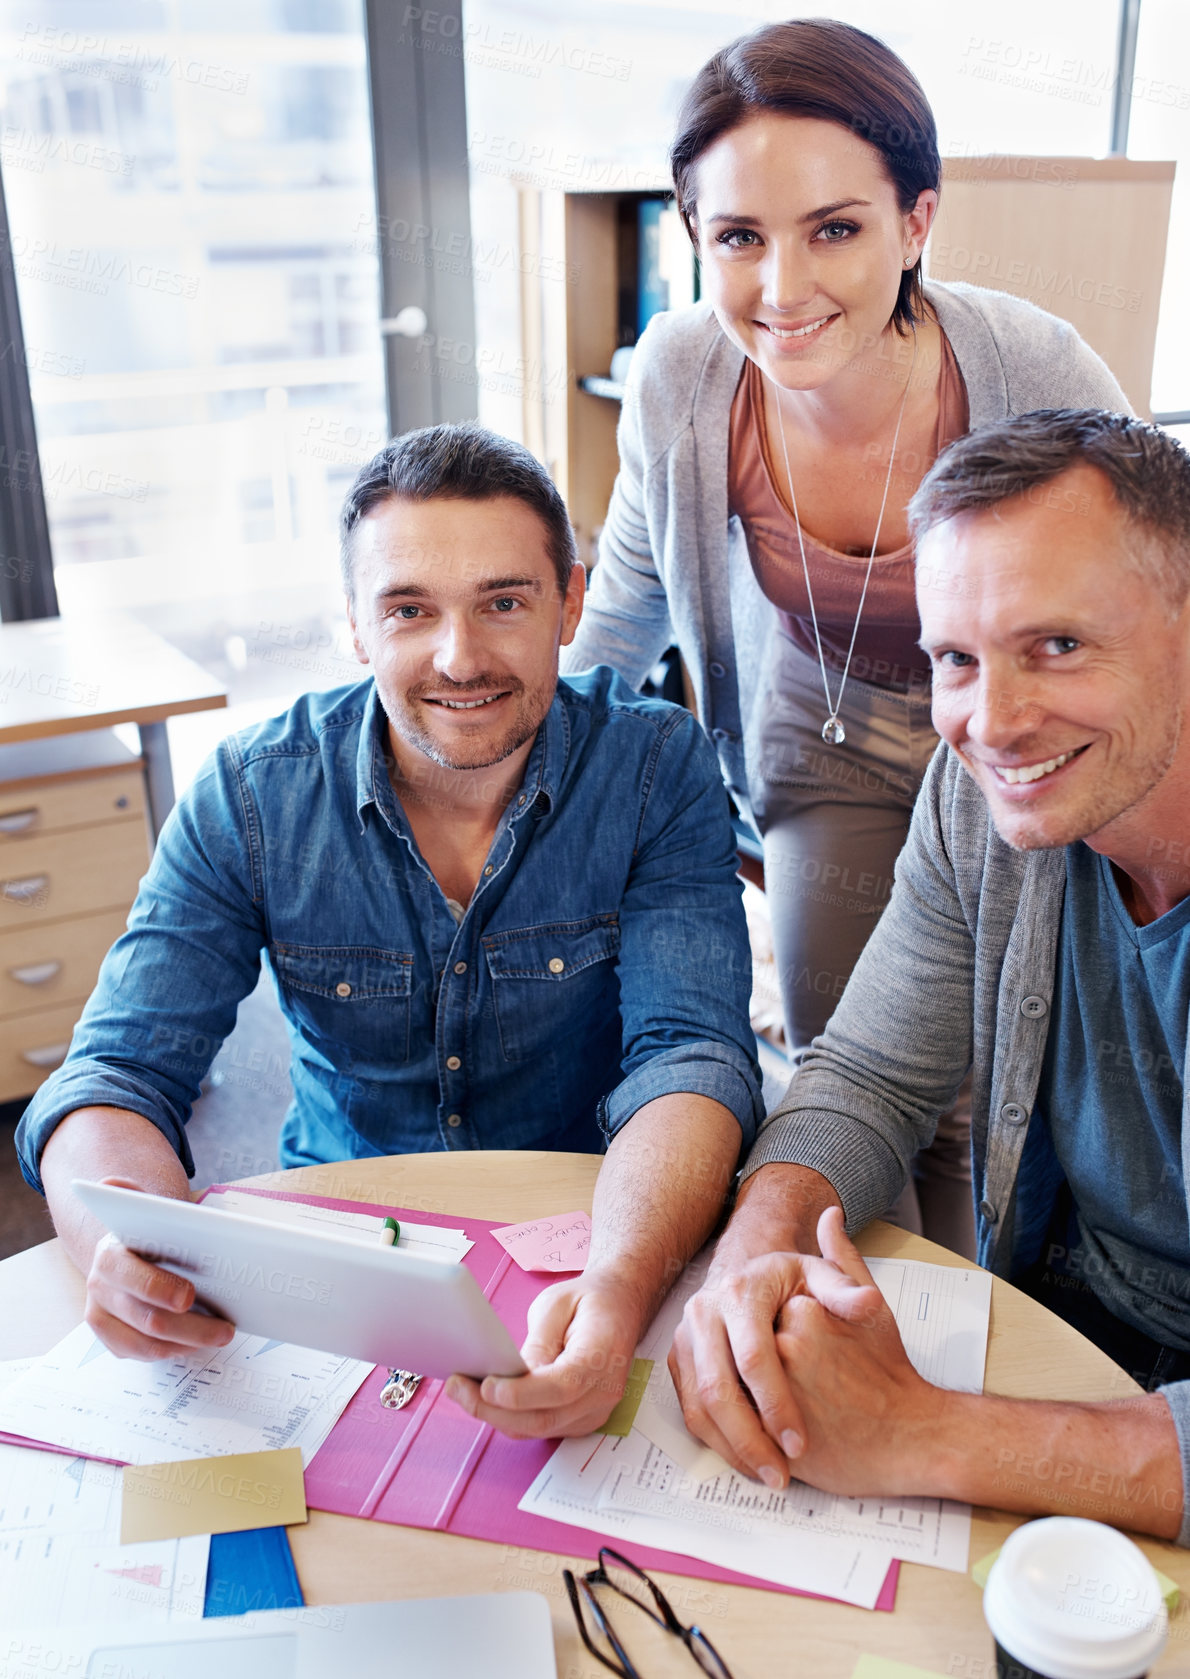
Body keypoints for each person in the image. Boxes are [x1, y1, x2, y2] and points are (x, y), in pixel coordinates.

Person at [17, 422, 763, 1442]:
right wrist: (121, 1241)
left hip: (595, 1235)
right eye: (410, 609)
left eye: (504, 602)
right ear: (357, 627)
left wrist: (618, 1284)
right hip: (335, 1258)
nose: (459, 658)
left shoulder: (654, 767)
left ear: (571, 603)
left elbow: (691, 1055)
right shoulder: (251, 792)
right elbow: (114, 1070)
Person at [562, 17, 1128, 1250]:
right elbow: (621, 606)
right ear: (694, 236)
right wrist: (512, 757)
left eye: (834, 229)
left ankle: (1000, 1329)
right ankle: (887, 1312)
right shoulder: (676, 380)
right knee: (850, 1062)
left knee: (993, 1079)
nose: (783, 288)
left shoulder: (1029, 361)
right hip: (815, 728)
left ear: (915, 221)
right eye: (739, 238)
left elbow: (1154, 582)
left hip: (1014, 724)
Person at [668, 409, 1190, 1541]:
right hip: (1062, 1329)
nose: (989, 722)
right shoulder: (983, 800)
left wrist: (921, 1430)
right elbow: (865, 1076)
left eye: (1056, 644)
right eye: (956, 658)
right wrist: (746, 1264)